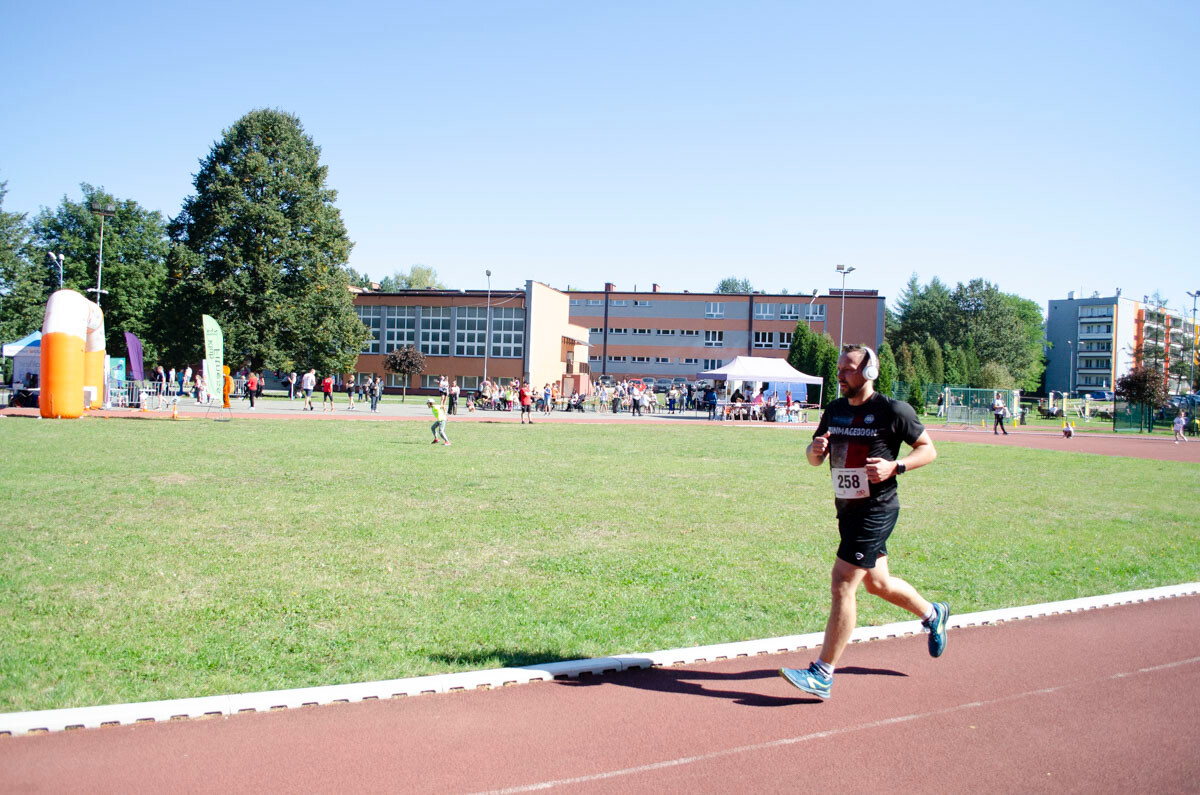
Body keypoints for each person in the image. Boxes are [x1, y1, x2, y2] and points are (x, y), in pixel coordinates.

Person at [779, 345, 947, 700]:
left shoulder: (892, 410)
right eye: (839, 368)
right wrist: (814, 451)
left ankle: (823, 673)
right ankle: (933, 614)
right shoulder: (835, 410)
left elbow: (928, 449)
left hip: (877, 509)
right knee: (878, 584)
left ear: (870, 372)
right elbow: (813, 458)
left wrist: (895, 466)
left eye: (849, 369)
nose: (840, 375)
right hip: (847, 509)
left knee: (843, 581)